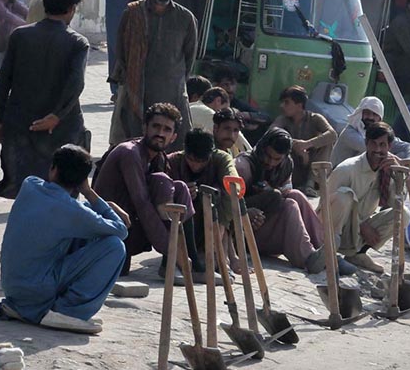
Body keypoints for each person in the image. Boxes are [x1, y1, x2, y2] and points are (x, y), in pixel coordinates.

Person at [0, 145, 128, 334]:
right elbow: (121, 230)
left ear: (53, 169)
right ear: (82, 181)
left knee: (84, 234)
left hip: (12, 289)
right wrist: (93, 196)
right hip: (37, 289)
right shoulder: (74, 211)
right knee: (114, 246)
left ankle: (25, 308)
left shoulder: (29, 185)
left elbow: (63, 210)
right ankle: (67, 312)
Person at [0, 0, 89, 200]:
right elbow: (75, 85)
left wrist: (1, 119)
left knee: (26, 194)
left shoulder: (20, 36)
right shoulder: (77, 43)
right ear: (72, 9)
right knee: (63, 196)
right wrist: (56, 116)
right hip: (61, 131)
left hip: (21, 127)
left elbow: (3, 82)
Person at [94, 103, 199, 279]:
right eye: (156, 126)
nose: (160, 133)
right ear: (145, 128)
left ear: (173, 137)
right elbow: (141, 202)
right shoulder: (130, 153)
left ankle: (182, 263)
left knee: (179, 188)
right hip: (112, 228)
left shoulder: (159, 158)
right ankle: (176, 259)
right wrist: (172, 250)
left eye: (166, 130)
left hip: (132, 225)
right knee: (163, 183)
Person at [110, 0, 197, 151]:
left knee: (175, 153)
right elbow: (122, 54)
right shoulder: (133, 14)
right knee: (132, 149)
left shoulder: (185, 18)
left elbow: (189, 59)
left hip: (173, 96)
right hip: (137, 97)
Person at [234, 127, 336, 273]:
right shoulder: (244, 166)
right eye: (268, 156)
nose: (270, 163)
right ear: (262, 148)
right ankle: (307, 258)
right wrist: (246, 212)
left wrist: (270, 191)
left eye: (276, 159)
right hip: (245, 233)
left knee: (296, 196)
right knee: (289, 205)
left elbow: (285, 191)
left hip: (268, 224)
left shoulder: (286, 166)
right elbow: (227, 204)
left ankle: (325, 249)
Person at [325, 122, 410, 274]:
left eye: (382, 145)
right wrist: (361, 225)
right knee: (345, 196)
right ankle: (328, 253)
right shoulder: (348, 169)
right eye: (373, 144)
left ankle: (357, 254)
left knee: (403, 213)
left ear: (389, 147)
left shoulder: (387, 168)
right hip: (331, 230)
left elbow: (394, 203)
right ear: (366, 143)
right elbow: (326, 206)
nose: (377, 150)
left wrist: (398, 179)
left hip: (357, 233)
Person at [167, 128, 237, 260]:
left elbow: (232, 186)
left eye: (202, 161)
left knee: (219, 194)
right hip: (184, 222)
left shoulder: (221, 159)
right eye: (192, 160)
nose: (196, 166)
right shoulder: (173, 161)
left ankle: (225, 255)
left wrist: (221, 224)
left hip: (215, 220)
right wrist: (181, 193)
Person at [271, 85, 336, 197]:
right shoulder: (283, 120)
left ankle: (311, 183)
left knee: (327, 143)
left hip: (311, 166)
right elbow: (271, 133)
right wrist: (296, 146)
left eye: (287, 102)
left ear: (299, 105)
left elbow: (332, 135)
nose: (282, 106)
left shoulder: (315, 118)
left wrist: (307, 144)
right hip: (292, 168)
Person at [331, 96, 410, 168]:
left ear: (379, 118)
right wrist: (395, 159)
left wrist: (407, 160)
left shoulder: (378, 134)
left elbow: (408, 146)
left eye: (374, 114)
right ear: (361, 114)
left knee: (402, 154)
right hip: (341, 174)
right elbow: (370, 149)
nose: (370, 117)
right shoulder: (349, 132)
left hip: (363, 175)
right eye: (367, 113)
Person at [98, 0, 135, 99]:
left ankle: (115, 88)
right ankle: (125, 86)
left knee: (113, 53)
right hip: (131, 18)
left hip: (113, 19)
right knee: (129, 53)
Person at [212, 64, 270, 144]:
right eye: (226, 84)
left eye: (233, 84)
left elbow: (265, 117)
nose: (230, 89)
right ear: (216, 85)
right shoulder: (210, 102)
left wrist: (244, 116)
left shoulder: (237, 103)